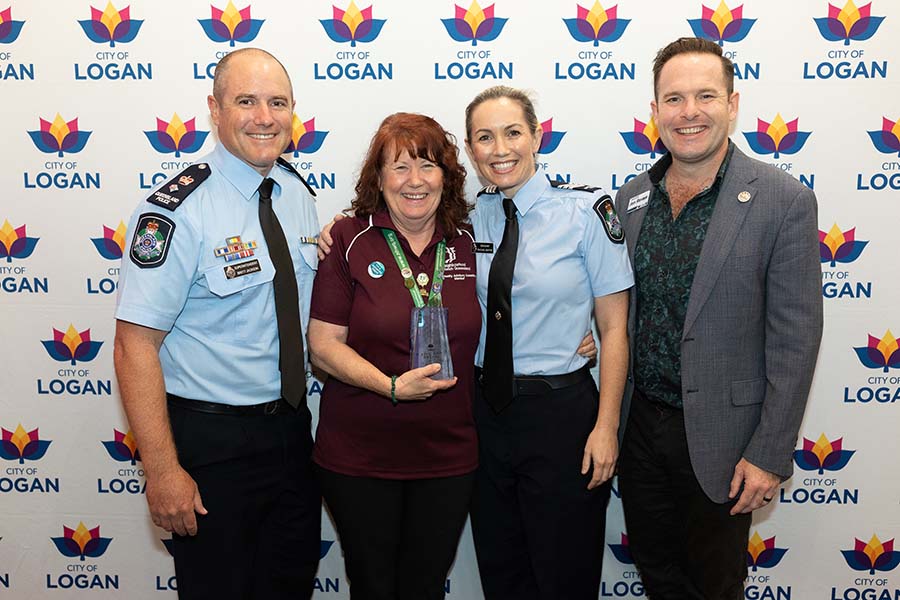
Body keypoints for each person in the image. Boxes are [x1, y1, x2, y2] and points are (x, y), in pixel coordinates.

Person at [613, 38, 823, 599]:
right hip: (641, 432)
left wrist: (770, 453)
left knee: (714, 587)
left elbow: (795, 341)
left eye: (705, 95)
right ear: (654, 111)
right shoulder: (632, 199)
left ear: (733, 104)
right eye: (674, 98)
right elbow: (619, 306)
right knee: (658, 579)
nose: (689, 112)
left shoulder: (783, 201)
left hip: (726, 442)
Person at [113, 48, 321, 600]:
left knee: (289, 586)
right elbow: (135, 345)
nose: (264, 116)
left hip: (293, 434)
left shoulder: (298, 194)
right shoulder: (175, 211)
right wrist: (161, 471)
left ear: (294, 111)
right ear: (214, 108)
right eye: (246, 101)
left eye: (277, 102)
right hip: (213, 448)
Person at [465, 86, 633, 600]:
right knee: (502, 567)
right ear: (471, 150)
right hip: (485, 417)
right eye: (484, 138)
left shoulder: (586, 213)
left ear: (537, 136)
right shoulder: (471, 217)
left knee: (564, 571)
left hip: (560, 416)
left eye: (513, 133)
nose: (500, 149)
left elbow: (613, 331)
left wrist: (606, 427)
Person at [307, 112, 480, 600]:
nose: (414, 181)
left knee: (425, 587)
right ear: (378, 179)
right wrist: (390, 386)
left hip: (449, 454)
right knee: (374, 586)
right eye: (399, 168)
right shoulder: (347, 239)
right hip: (360, 456)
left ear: (446, 177)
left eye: (427, 166)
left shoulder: (470, 240)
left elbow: (526, 294)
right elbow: (322, 345)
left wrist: (575, 336)